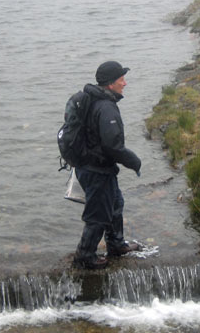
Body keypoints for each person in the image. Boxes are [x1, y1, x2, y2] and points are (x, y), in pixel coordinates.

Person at [73, 61, 142, 269]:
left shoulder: (93, 101)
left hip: (91, 167)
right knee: (98, 214)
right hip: (96, 170)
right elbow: (113, 146)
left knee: (115, 204)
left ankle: (116, 244)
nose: (125, 83)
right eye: (121, 79)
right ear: (111, 83)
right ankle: (85, 256)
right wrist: (134, 161)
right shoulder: (106, 108)